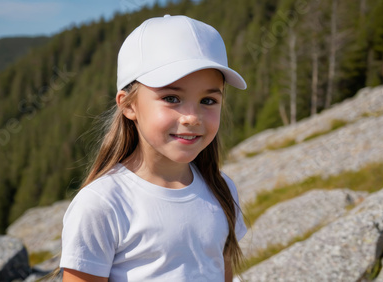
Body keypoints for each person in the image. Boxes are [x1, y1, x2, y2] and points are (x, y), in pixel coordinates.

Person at [60, 14, 248, 282]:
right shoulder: (102, 205)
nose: (192, 117)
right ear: (129, 105)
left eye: (208, 100)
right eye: (172, 98)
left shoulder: (222, 189)